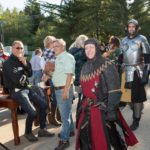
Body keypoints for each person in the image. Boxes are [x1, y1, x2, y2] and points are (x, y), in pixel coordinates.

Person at [76, 38, 138, 150]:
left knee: (111, 140)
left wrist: (111, 111)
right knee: (86, 140)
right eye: (86, 48)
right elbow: (85, 90)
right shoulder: (85, 67)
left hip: (103, 109)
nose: (89, 50)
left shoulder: (106, 64)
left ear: (97, 48)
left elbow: (115, 90)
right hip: (87, 110)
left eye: (91, 47)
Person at [3, 40, 55, 142]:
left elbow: (30, 74)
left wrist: (25, 63)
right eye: (17, 48)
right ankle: (28, 132)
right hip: (16, 90)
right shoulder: (8, 63)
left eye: (21, 48)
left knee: (44, 104)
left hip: (25, 88)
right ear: (12, 48)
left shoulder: (22, 60)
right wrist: (26, 80)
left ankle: (42, 129)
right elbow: (16, 80)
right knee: (32, 112)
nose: (20, 50)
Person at [120, 19, 150, 131]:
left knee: (137, 97)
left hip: (138, 71)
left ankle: (136, 119)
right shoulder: (123, 41)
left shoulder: (142, 39)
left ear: (136, 28)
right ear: (127, 28)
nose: (131, 28)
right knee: (127, 96)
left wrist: (146, 74)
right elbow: (121, 56)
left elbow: (148, 58)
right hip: (126, 71)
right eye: (129, 26)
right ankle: (137, 109)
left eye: (133, 27)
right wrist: (119, 66)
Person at [52, 39, 75, 150]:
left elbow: (70, 74)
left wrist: (65, 91)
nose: (53, 48)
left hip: (63, 89)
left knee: (64, 117)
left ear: (62, 47)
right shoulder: (59, 57)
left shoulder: (67, 57)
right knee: (67, 112)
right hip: (60, 89)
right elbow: (60, 73)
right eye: (53, 46)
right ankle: (70, 131)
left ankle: (64, 140)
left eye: (56, 46)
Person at [41, 35, 61, 126]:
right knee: (56, 97)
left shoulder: (49, 52)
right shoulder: (49, 52)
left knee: (57, 97)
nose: (55, 43)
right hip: (53, 77)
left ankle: (57, 116)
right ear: (49, 43)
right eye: (54, 41)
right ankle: (53, 118)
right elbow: (49, 66)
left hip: (54, 76)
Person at [69, 34, 88, 102]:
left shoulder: (71, 51)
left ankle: (79, 112)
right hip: (84, 78)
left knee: (81, 98)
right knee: (84, 100)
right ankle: (80, 112)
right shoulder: (83, 52)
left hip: (75, 79)